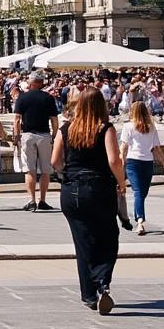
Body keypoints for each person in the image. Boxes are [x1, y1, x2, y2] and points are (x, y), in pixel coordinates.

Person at [51, 86, 126, 314]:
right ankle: (102, 281)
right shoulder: (105, 128)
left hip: (72, 190)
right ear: (101, 106)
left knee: (82, 241)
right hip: (99, 188)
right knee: (108, 236)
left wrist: (67, 174)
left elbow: (54, 161)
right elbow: (114, 160)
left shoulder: (66, 129)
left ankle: (89, 295)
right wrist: (121, 182)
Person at [118, 100, 164, 236]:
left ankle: (138, 217)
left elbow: (123, 147)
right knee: (139, 191)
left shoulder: (142, 127)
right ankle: (140, 221)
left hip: (138, 162)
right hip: (140, 162)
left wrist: (121, 163)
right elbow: (157, 148)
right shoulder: (145, 127)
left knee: (142, 193)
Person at [13, 71, 59, 211]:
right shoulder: (48, 98)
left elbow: (17, 119)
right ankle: (42, 200)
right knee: (45, 170)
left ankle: (32, 199)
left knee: (29, 170)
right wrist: (55, 135)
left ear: (31, 82)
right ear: (40, 83)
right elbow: (54, 119)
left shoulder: (22, 97)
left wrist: (16, 135)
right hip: (44, 135)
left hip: (28, 134)